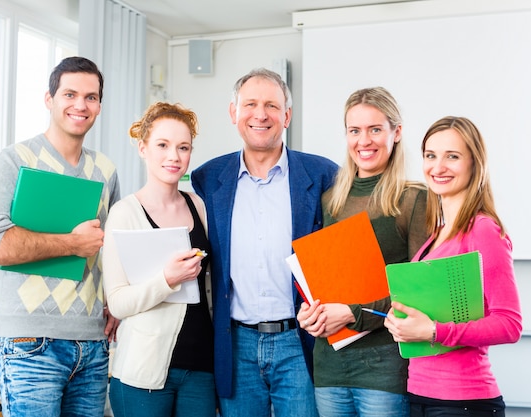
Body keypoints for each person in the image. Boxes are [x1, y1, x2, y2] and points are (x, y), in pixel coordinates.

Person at [0, 56, 121, 417]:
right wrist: (71, 243)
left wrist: (115, 300)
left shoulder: (106, 171)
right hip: (31, 342)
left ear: (99, 105)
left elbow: (109, 249)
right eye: (70, 94)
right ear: (49, 99)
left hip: (93, 343)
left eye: (91, 97)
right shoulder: (15, 160)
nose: (81, 105)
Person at [191, 68, 338, 417]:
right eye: (250, 104)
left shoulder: (323, 176)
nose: (260, 114)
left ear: (286, 116)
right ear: (233, 113)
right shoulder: (208, 179)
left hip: (300, 340)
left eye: (271, 105)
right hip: (235, 342)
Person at [296, 87, 429, 417]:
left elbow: (419, 294)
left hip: (384, 369)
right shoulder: (330, 200)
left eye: (375, 129)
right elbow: (327, 283)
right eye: (355, 130)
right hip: (329, 366)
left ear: (396, 133)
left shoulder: (414, 199)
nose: (364, 141)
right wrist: (310, 313)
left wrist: (352, 313)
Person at [384, 116, 523, 416]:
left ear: (475, 163)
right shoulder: (436, 235)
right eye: (431, 156)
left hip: (463, 401)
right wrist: (400, 322)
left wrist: (434, 331)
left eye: (453, 157)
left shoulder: (483, 230)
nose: (438, 167)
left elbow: (510, 325)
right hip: (420, 395)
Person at [102, 102, 215, 417]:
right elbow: (120, 302)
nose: (174, 156)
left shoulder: (199, 206)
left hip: (202, 369)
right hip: (143, 373)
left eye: (183, 147)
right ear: (143, 148)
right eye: (162, 145)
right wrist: (167, 280)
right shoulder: (124, 213)